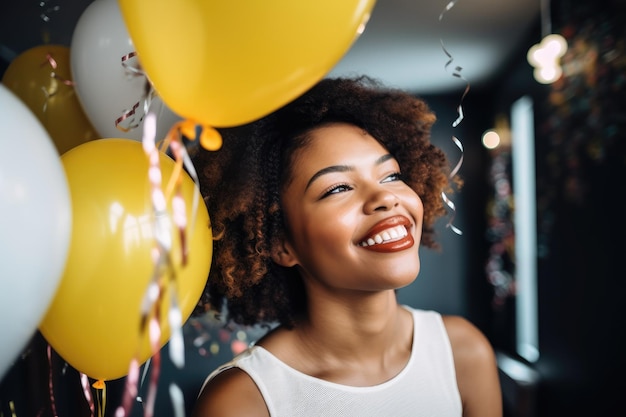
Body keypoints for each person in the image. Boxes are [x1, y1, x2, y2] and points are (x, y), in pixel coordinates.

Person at [190, 76, 502, 417]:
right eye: (338, 188)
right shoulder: (243, 401)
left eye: (391, 176)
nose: (385, 197)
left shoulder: (462, 353)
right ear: (280, 244)